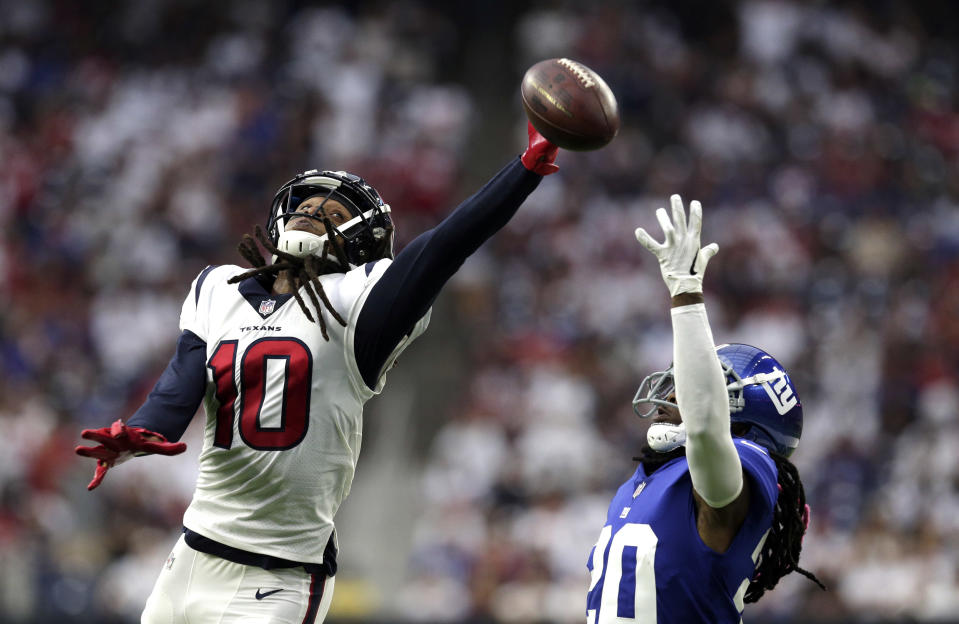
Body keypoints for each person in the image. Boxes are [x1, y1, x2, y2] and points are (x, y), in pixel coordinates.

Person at [75, 123, 560, 624]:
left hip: (278, 575)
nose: (310, 214)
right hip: (191, 557)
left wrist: (523, 171)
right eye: (304, 207)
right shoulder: (219, 287)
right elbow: (178, 387)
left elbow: (443, 248)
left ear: (361, 241)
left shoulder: (359, 304)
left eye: (332, 212)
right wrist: (140, 431)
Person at [585, 196, 824, 623]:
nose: (672, 395)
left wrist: (686, 295)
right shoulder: (643, 484)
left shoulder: (739, 471)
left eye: (692, 385)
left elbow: (706, 433)